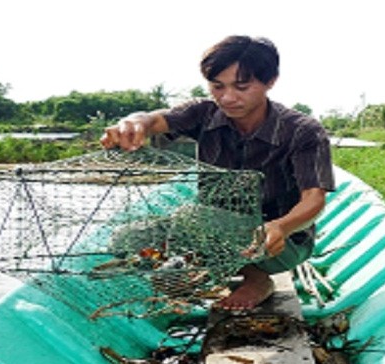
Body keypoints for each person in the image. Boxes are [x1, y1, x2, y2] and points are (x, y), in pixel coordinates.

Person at [100, 35, 335, 310]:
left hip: (278, 242)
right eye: (217, 86)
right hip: (208, 231)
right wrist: (133, 123)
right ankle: (210, 270)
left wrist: (280, 226)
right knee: (126, 240)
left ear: (270, 81)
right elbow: (154, 120)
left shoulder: (303, 131)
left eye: (241, 87)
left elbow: (314, 199)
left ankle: (255, 276)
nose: (227, 98)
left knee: (192, 219)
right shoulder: (203, 112)